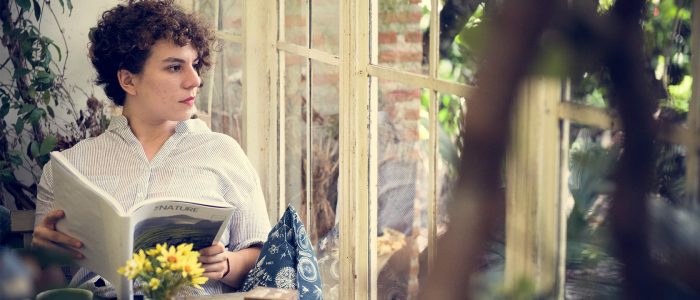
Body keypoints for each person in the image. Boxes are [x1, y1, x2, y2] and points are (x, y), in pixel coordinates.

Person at [30, 0, 271, 297]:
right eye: (174, 67)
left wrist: (227, 264)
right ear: (128, 80)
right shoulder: (68, 168)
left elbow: (262, 257)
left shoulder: (224, 152)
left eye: (195, 65)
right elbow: (50, 289)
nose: (194, 80)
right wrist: (44, 257)